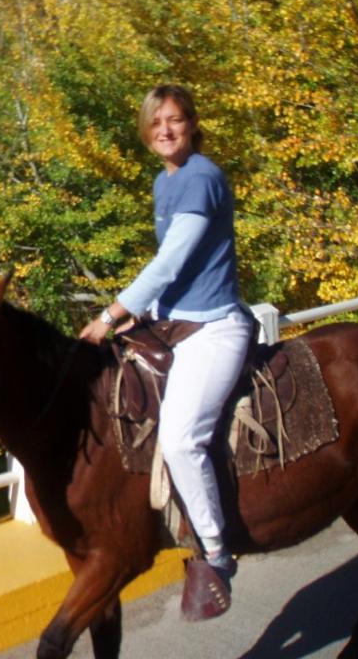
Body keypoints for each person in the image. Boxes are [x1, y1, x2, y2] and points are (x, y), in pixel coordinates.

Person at [78, 83, 252, 619]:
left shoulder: (200, 176)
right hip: (174, 322)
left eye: (175, 120)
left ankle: (218, 554)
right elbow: (173, 275)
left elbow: (172, 261)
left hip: (213, 328)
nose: (165, 130)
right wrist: (140, 314)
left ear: (192, 125)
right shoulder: (164, 181)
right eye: (156, 122)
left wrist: (111, 315)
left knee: (179, 441)